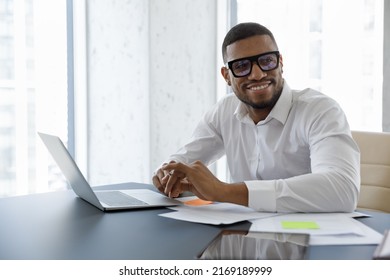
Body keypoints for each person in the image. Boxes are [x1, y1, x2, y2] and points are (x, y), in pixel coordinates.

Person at [152, 22, 360, 213]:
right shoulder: (224, 111)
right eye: (242, 66)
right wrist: (168, 173)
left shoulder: (320, 110)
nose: (257, 74)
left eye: (267, 61)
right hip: (243, 236)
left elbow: (342, 190)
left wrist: (224, 191)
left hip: (309, 238)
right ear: (226, 76)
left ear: (280, 63)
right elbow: (184, 159)